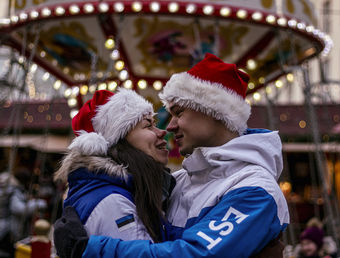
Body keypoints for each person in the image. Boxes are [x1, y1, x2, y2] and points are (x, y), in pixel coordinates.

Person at [54, 53, 289, 257]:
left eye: (179, 113)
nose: (170, 126)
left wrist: (90, 249)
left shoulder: (256, 190)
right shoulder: (180, 181)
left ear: (215, 111)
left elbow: (191, 254)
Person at [53, 89, 175, 244]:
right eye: (148, 125)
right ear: (119, 142)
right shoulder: (114, 204)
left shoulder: (120, 191)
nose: (162, 132)